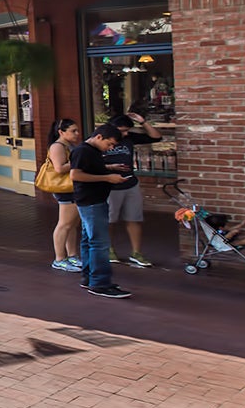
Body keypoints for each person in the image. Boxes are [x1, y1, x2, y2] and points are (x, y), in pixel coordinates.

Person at [69, 124, 133, 298]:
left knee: (89, 240)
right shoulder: (83, 151)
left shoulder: (93, 151)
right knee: (100, 243)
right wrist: (107, 177)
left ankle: (89, 278)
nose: (110, 148)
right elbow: (75, 174)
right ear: (99, 137)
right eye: (109, 144)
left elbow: (90, 169)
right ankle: (101, 283)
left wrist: (110, 169)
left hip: (93, 200)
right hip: (91, 202)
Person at [105, 112, 160, 267]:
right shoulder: (100, 139)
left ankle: (136, 252)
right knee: (109, 219)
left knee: (134, 218)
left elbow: (156, 137)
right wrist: (109, 168)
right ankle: (109, 249)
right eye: (122, 130)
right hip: (110, 185)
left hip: (130, 183)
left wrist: (143, 121)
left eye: (127, 130)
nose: (125, 133)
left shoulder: (129, 138)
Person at [46, 118, 83, 273]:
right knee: (64, 224)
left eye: (77, 130)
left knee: (72, 224)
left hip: (73, 187)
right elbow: (59, 168)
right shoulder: (57, 146)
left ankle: (72, 254)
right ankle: (59, 258)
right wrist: (79, 161)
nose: (77, 134)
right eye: (73, 131)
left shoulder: (70, 145)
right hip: (65, 189)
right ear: (61, 132)